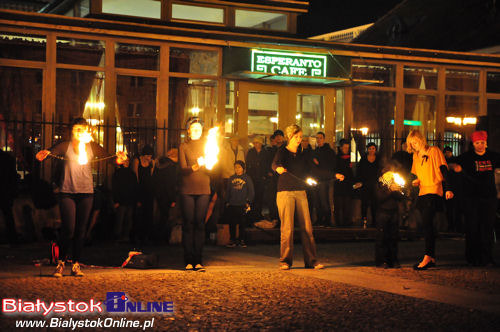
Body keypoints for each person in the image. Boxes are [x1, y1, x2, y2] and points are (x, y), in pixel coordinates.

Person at [36, 117, 126, 277]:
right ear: (72, 131)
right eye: (76, 129)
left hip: (86, 192)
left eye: (82, 129)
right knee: (68, 229)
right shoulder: (66, 145)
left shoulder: (91, 146)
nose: (79, 132)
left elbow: (111, 159)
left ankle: (76, 264)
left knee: (81, 230)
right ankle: (61, 262)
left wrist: (120, 159)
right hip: (67, 192)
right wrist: (45, 154)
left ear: (86, 131)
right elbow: (53, 151)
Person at [272, 124, 325, 270]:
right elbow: (274, 163)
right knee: (287, 228)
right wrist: (278, 168)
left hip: (301, 191)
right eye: (296, 137)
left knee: (307, 227)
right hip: (285, 191)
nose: (299, 140)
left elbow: (314, 170)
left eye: (301, 137)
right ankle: (285, 261)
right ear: (290, 137)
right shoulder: (282, 150)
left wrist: (333, 175)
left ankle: (311, 261)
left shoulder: (303, 153)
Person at [407, 130, 453, 270]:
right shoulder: (415, 156)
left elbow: (444, 170)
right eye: (411, 143)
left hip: (434, 189)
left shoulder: (434, 151)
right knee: (426, 224)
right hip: (423, 192)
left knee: (427, 223)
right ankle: (431, 256)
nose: (414, 145)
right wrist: (415, 181)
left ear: (421, 140)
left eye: (415, 142)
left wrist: (448, 189)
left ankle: (428, 256)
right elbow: (415, 174)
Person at [452, 131, 499, 266]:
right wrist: (456, 168)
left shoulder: (493, 156)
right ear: (473, 144)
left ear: (486, 143)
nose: (480, 146)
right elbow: (450, 162)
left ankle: (487, 257)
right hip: (471, 198)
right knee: (472, 227)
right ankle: (473, 257)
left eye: (482, 143)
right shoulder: (467, 157)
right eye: (477, 143)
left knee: (488, 228)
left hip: (489, 197)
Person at [179, 117, 214, 272]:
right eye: (193, 128)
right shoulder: (184, 146)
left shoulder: (208, 146)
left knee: (200, 224)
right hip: (187, 189)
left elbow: (213, 169)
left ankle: (198, 260)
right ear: (188, 130)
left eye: (199, 128)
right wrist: (194, 167)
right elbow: (182, 168)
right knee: (188, 224)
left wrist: (208, 165)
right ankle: (188, 260)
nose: (196, 131)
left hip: (203, 189)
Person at [375, 160, 406, 268]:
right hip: (383, 213)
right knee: (382, 238)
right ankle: (381, 260)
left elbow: (401, 197)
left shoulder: (395, 181)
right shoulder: (380, 183)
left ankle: (393, 260)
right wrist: (389, 190)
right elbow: (379, 198)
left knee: (393, 237)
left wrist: (399, 190)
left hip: (393, 213)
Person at [225, 161, 254, 248]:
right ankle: (232, 240)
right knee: (232, 223)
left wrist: (248, 201)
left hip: (242, 204)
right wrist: (227, 201)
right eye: (235, 167)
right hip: (233, 204)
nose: (237, 169)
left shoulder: (247, 178)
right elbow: (228, 191)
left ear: (243, 168)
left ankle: (242, 240)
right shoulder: (231, 178)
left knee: (242, 223)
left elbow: (251, 191)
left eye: (239, 167)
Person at [312, 132, 337, 227]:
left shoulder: (329, 151)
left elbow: (331, 165)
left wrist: (319, 163)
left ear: (324, 139)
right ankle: (319, 219)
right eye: (317, 138)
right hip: (316, 179)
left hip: (325, 180)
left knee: (324, 200)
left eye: (320, 138)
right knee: (317, 201)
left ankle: (327, 220)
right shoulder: (315, 151)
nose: (318, 140)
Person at [153, 149, 178, 243]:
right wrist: (173, 199)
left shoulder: (159, 164)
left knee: (158, 216)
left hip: (158, 194)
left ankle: (156, 237)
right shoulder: (171, 166)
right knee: (165, 216)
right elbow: (170, 184)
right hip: (167, 196)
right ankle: (163, 238)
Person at [132, 144, 156, 245]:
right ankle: (137, 235)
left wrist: (150, 162)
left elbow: (151, 174)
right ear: (143, 155)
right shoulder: (137, 160)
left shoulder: (152, 162)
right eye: (147, 156)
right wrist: (137, 192)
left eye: (150, 156)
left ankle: (147, 235)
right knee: (139, 213)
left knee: (148, 213)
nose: (148, 158)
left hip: (149, 190)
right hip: (139, 189)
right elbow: (135, 175)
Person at [112, 158, 138, 243]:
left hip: (128, 200)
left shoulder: (130, 173)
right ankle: (118, 236)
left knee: (127, 220)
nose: (126, 162)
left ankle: (125, 236)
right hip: (122, 200)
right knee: (120, 220)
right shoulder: (119, 173)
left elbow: (135, 187)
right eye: (125, 161)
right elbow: (115, 188)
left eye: (127, 161)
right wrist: (116, 200)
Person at [355, 142, 381, 228]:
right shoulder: (363, 159)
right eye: (370, 148)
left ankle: (374, 221)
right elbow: (359, 171)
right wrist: (359, 181)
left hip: (375, 185)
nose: (371, 150)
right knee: (364, 203)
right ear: (367, 149)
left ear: (375, 149)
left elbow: (380, 171)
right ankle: (364, 220)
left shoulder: (378, 159)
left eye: (373, 148)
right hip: (364, 184)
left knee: (375, 203)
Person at [246, 136, 268, 222]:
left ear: (261, 143)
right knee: (252, 196)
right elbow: (248, 164)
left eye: (258, 143)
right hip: (252, 177)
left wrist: (265, 175)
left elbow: (267, 164)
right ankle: (251, 214)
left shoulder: (265, 152)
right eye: (255, 143)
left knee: (260, 196)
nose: (256, 144)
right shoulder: (251, 152)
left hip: (261, 178)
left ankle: (258, 213)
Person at [0, 149, 19, 245]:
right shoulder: (8, 158)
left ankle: (12, 238)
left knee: (8, 215)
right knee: (8, 215)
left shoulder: (7, 158)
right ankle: (13, 238)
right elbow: (13, 176)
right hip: (5, 191)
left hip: (4, 190)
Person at [443, 146, 463, 233]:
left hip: (456, 187)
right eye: (446, 152)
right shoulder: (443, 161)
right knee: (449, 208)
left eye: (449, 152)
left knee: (457, 208)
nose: (447, 153)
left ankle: (458, 226)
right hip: (447, 186)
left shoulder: (456, 160)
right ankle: (451, 226)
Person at [334, 139, 354, 226]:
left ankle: (347, 222)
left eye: (348, 148)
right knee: (338, 205)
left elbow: (351, 172)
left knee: (347, 206)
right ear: (341, 148)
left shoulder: (351, 157)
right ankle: (338, 223)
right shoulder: (336, 158)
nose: (346, 149)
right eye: (345, 147)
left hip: (348, 185)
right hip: (339, 185)